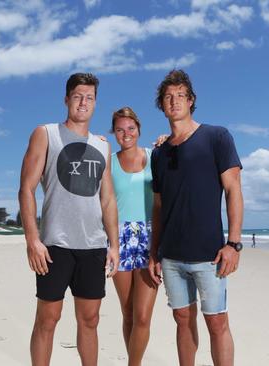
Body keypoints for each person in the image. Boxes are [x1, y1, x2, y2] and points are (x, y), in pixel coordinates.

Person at [18, 72, 120, 366]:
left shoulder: (103, 145)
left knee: (90, 319)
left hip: (93, 245)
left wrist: (113, 245)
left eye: (89, 97)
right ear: (67, 99)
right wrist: (32, 239)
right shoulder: (45, 133)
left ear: (95, 102)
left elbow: (108, 199)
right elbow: (26, 187)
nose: (83, 102)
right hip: (54, 245)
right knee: (48, 318)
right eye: (77, 96)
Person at [148, 69, 244, 366]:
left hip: (210, 255)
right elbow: (159, 207)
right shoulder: (159, 153)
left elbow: (233, 190)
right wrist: (155, 253)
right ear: (161, 105)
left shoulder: (216, 136)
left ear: (191, 101)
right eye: (167, 97)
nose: (174, 101)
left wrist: (234, 244)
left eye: (180, 96)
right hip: (172, 258)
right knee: (182, 320)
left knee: (217, 323)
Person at [109, 107, 159, 366]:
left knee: (142, 316)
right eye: (119, 129)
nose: (126, 134)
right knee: (127, 312)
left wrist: (166, 142)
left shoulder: (155, 156)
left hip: (150, 237)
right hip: (118, 238)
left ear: (139, 129)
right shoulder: (108, 161)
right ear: (114, 133)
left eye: (130, 128)